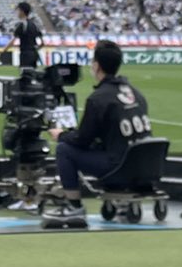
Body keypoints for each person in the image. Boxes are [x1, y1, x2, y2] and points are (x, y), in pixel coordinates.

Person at [56, 38, 152, 214]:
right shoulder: (136, 93)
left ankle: (74, 206)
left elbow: (82, 139)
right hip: (144, 165)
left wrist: (60, 135)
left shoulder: (98, 98)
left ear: (97, 65)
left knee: (64, 150)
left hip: (118, 166)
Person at [12, 0, 44, 70]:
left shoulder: (22, 25)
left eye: (18, 10)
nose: (17, 13)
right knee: (32, 73)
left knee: (26, 74)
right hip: (34, 54)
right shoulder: (35, 25)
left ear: (22, 12)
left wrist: (0, 53)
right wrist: (33, 49)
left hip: (25, 55)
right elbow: (42, 44)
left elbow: (12, 41)